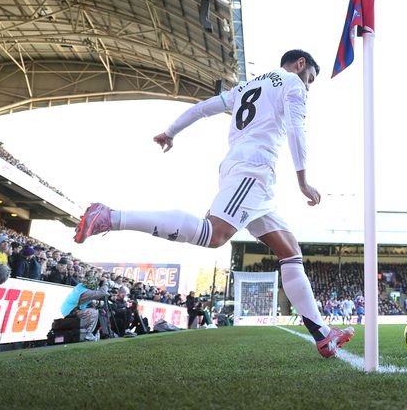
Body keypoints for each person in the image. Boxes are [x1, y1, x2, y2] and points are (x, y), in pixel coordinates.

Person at [73, 50, 353, 358]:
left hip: (249, 176)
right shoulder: (292, 83)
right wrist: (303, 181)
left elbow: (203, 108)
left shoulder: (246, 86)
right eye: (310, 79)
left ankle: (322, 335)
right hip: (253, 170)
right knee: (213, 235)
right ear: (300, 65)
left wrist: (171, 132)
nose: (308, 86)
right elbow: (296, 130)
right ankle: (111, 217)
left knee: (290, 251)